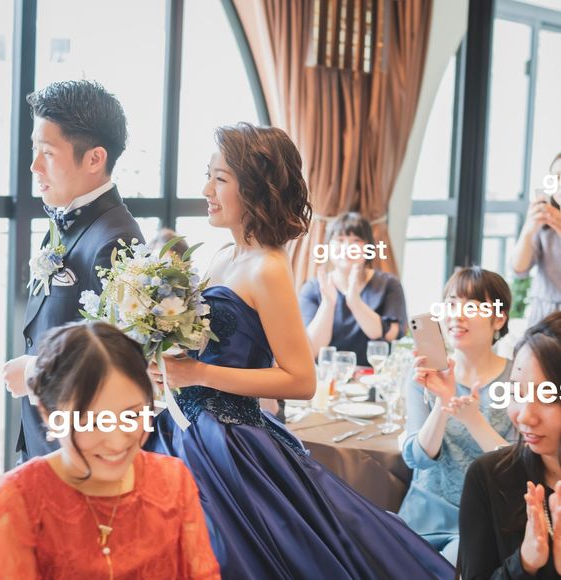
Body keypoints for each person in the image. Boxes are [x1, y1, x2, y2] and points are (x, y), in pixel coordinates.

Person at [144, 122, 454, 579]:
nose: (207, 189)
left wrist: (198, 374)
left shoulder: (268, 267)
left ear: (254, 188)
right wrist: (169, 364)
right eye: (208, 176)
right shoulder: (223, 255)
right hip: (185, 426)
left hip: (229, 441)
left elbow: (301, 379)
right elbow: (210, 349)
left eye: (220, 178)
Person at [0, 322, 220, 579]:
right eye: (92, 422)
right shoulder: (14, 501)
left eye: (132, 416)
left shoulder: (172, 479)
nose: (116, 442)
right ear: (49, 414)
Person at [2, 80, 143, 461]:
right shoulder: (68, 220)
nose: (34, 166)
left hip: (79, 453)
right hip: (44, 443)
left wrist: (34, 371)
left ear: (95, 159)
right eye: (35, 149)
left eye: (48, 153)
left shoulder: (116, 239)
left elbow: (122, 364)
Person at [398, 267, 516, 565]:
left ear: (499, 319)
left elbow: (519, 467)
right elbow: (417, 458)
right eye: (451, 304)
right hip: (421, 515)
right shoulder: (425, 374)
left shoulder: (518, 378)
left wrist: (473, 420)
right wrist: (443, 401)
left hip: (482, 518)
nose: (456, 315)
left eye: (472, 306)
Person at [459, 311, 561, 579]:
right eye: (517, 392)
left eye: (548, 397)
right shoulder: (489, 477)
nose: (525, 416)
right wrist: (524, 563)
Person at [299, 212, 407, 366]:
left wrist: (355, 302)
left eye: (357, 240)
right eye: (340, 240)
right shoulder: (313, 288)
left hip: (374, 376)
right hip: (327, 376)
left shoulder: (388, 284)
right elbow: (312, 350)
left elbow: (393, 334)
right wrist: (328, 304)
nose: (348, 247)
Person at [511, 153, 561, 326]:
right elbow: (519, 269)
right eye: (556, 177)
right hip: (543, 315)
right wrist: (529, 228)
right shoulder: (544, 221)